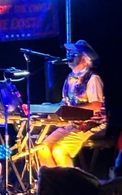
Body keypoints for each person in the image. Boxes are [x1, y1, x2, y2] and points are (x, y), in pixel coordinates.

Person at [38, 40, 106, 168]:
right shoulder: (69, 78)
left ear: (85, 59)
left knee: (59, 150)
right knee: (43, 148)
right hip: (72, 124)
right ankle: (54, 184)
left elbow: (96, 106)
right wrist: (48, 107)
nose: (69, 57)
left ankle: (69, 185)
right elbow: (65, 102)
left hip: (93, 125)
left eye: (74, 54)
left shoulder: (92, 78)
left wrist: (72, 110)